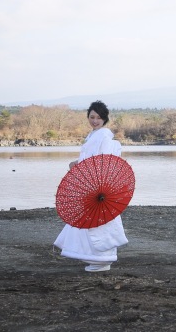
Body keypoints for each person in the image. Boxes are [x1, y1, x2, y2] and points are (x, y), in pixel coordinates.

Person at [54, 101, 129, 272]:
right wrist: (77, 163)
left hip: (98, 185)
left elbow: (102, 161)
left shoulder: (103, 136)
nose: (95, 121)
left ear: (105, 119)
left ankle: (102, 258)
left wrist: (93, 177)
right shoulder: (94, 135)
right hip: (91, 182)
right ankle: (95, 258)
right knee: (92, 220)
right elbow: (91, 159)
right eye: (92, 117)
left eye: (99, 118)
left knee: (100, 221)